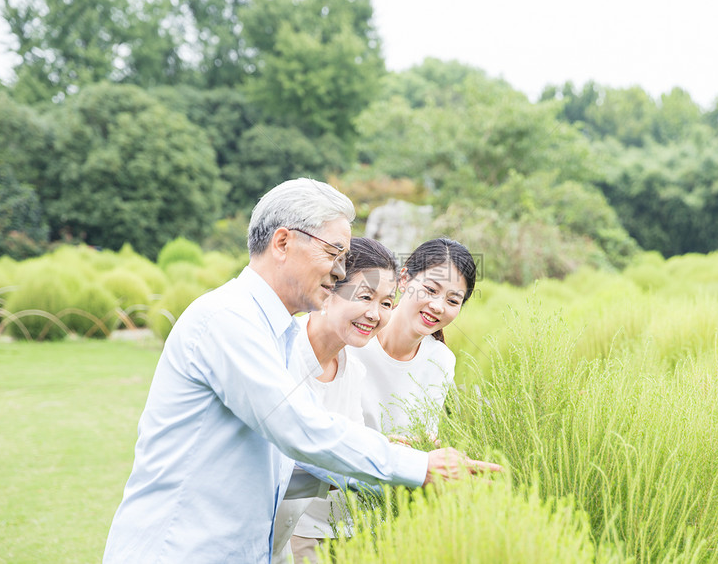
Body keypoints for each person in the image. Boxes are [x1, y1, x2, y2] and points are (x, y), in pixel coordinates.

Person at [102, 179, 499, 564]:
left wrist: (395, 460)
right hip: (181, 551)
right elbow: (299, 429)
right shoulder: (228, 321)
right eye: (334, 253)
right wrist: (418, 467)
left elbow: (300, 462)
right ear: (283, 242)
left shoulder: (278, 335)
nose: (341, 271)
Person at [272, 237, 398, 564]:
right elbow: (281, 463)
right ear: (329, 291)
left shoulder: (352, 370)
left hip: (282, 542)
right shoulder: (278, 353)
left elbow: (349, 442)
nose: (375, 314)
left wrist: (387, 448)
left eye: (387, 303)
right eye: (365, 296)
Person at [350, 238, 477, 440]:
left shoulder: (441, 360)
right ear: (404, 280)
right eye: (430, 290)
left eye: (452, 301)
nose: (438, 306)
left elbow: (423, 438)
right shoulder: (354, 340)